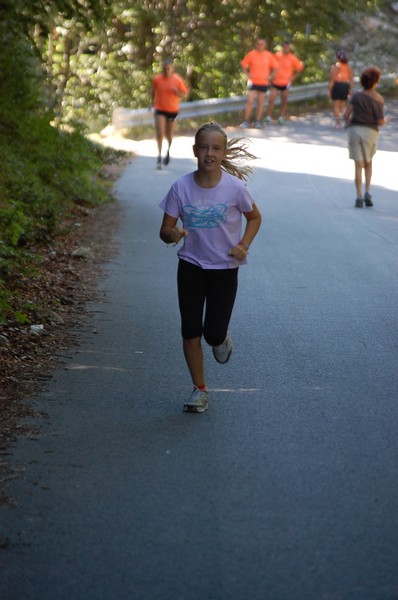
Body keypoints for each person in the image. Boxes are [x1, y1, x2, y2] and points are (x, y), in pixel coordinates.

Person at [159, 122, 262, 413]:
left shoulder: (235, 188)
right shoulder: (180, 187)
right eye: (203, 147)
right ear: (194, 150)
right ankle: (199, 390)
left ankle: (220, 338)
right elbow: (164, 230)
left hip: (225, 268)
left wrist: (244, 244)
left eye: (215, 148)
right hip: (190, 265)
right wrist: (173, 233)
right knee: (190, 329)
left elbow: (255, 217)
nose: (209, 153)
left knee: (213, 333)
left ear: (223, 152)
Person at [344, 66, 391, 208]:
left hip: (354, 130)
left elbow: (346, 115)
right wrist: (387, 119)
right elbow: (380, 122)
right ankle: (367, 192)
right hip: (370, 132)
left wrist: (348, 125)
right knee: (368, 162)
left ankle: (358, 196)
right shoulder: (378, 99)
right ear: (375, 82)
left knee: (358, 165)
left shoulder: (356, 96)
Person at [151, 59, 189, 169]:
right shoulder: (157, 79)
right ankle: (159, 156)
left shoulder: (177, 80)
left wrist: (177, 92)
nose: (166, 70)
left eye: (169, 68)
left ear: (172, 69)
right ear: (162, 68)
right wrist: (152, 103)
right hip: (160, 109)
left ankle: (167, 151)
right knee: (160, 133)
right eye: (165, 68)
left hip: (172, 110)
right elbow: (153, 91)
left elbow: (185, 94)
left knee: (169, 134)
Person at [240, 38, 278, 129]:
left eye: (262, 44)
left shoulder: (268, 55)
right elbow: (243, 64)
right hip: (253, 82)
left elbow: (276, 67)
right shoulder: (251, 54)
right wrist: (247, 74)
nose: (260, 45)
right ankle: (246, 121)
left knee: (260, 102)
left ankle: (257, 121)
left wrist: (271, 76)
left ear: (265, 45)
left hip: (263, 82)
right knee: (250, 101)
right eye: (258, 44)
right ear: (256, 44)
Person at [265, 41, 304, 125]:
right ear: (282, 47)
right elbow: (269, 65)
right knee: (271, 98)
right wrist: (271, 76)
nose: (286, 49)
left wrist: (294, 77)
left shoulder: (292, 57)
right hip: (275, 82)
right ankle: (268, 117)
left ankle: (281, 117)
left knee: (284, 100)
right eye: (285, 47)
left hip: (286, 82)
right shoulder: (276, 56)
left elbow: (300, 66)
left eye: (288, 47)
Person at [327, 50, 354, 129]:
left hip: (337, 85)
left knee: (336, 105)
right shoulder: (348, 67)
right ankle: (346, 120)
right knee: (343, 105)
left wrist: (329, 90)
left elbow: (332, 80)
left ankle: (338, 123)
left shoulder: (335, 67)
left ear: (337, 58)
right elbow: (351, 80)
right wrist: (350, 90)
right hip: (345, 85)